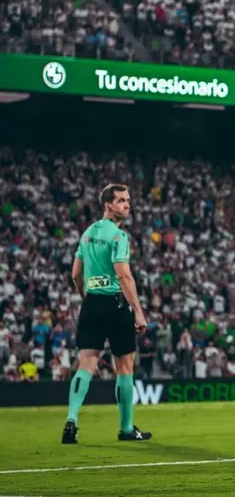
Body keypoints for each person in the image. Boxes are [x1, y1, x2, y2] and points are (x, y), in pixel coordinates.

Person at [63, 184, 152, 444]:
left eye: (128, 200)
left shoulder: (87, 234)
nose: (127, 204)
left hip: (91, 304)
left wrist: (86, 296)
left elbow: (75, 274)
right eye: (121, 200)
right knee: (124, 367)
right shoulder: (118, 236)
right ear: (107, 205)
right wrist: (138, 311)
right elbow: (124, 275)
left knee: (86, 364)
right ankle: (126, 428)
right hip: (114, 304)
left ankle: (71, 420)